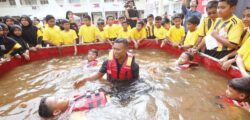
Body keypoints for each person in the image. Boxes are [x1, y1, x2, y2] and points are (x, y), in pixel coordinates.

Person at [74, 38, 139, 89]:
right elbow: (98, 75)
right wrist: (84, 79)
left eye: (118, 49)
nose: (115, 52)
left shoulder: (134, 66)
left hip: (126, 88)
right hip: (110, 86)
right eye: (114, 49)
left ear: (126, 49)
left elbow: (136, 82)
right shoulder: (107, 62)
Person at [38, 89, 108, 120]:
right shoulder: (74, 115)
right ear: (56, 112)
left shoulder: (71, 102)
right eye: (58, 99)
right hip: (109, 101)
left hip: (106, 94)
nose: (61, 97)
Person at [219, 6, 250, 71]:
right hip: (242, 65)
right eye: (243, 16)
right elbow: (240, 50)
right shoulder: (244, 31)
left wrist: (231, 61)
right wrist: (227, 57)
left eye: (248, 16)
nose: (245, 19)